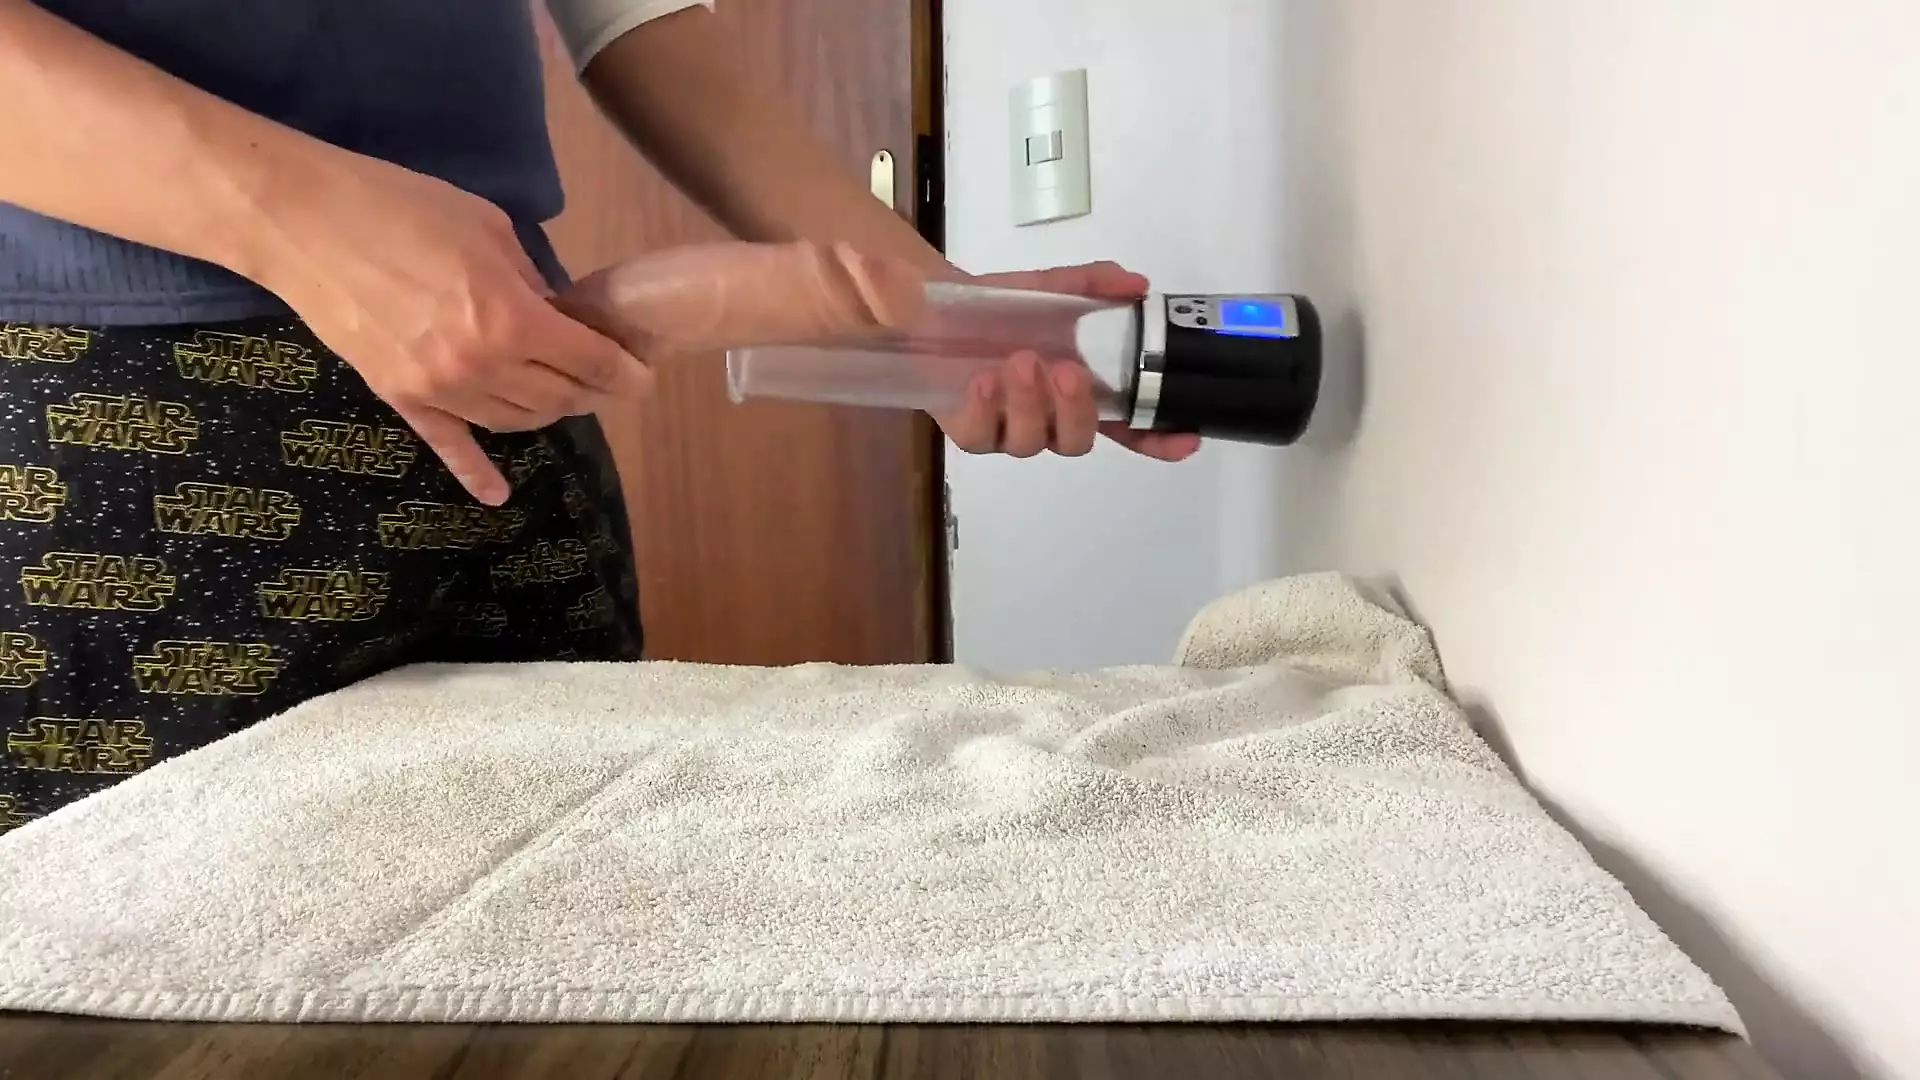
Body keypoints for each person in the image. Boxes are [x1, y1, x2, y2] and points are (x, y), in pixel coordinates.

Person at [0, 0, 1200, 830]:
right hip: (115, 442)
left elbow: (635, 16)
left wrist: (937, 317)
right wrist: (296, 218)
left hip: (519, 425)